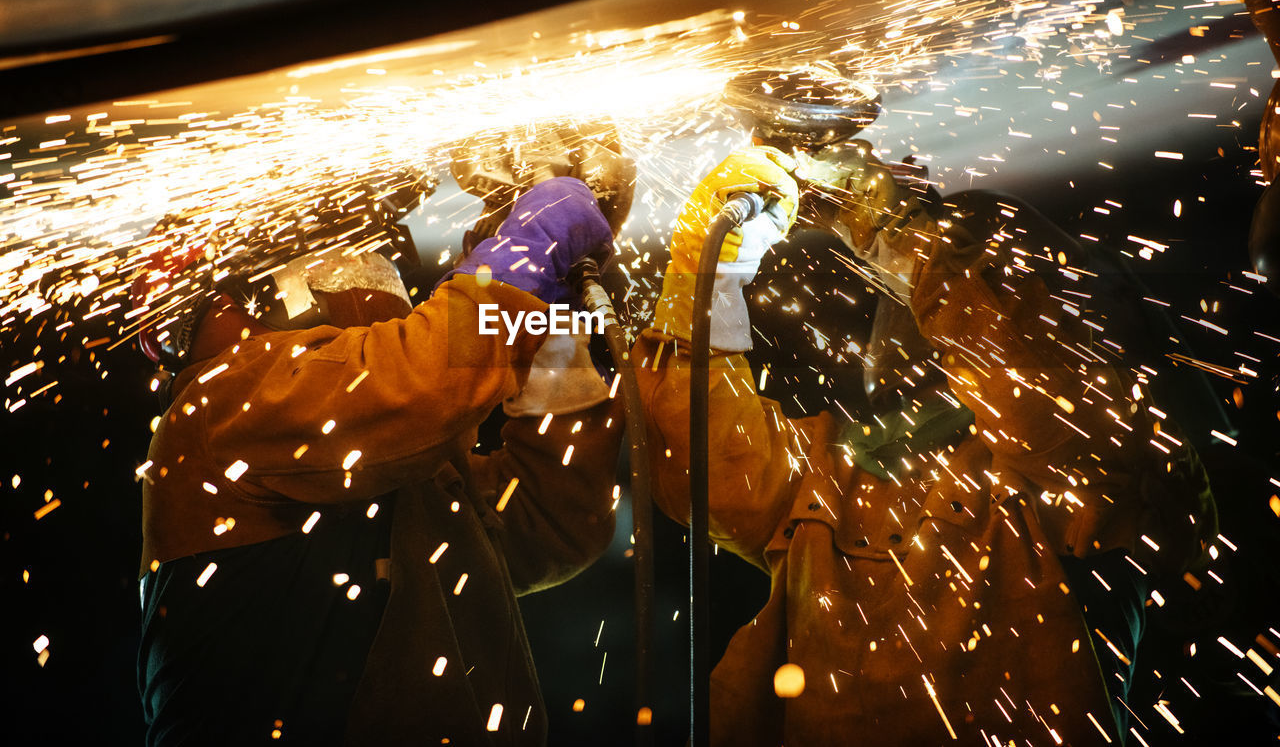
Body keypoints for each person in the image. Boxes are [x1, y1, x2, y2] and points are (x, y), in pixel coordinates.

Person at [632, 70, 1217, 745]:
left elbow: (1035, 383)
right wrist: (709, 278)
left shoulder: (1111, 479)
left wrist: (899, 227)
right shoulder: (852, 474)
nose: (923, 308)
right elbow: (702, 459)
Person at [133, 176, 622, 746]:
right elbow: (417, 384)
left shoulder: (386, 466)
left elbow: (552, 524)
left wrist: (543, 320)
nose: (374, 268)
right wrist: (516, 262)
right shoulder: (220, 408)